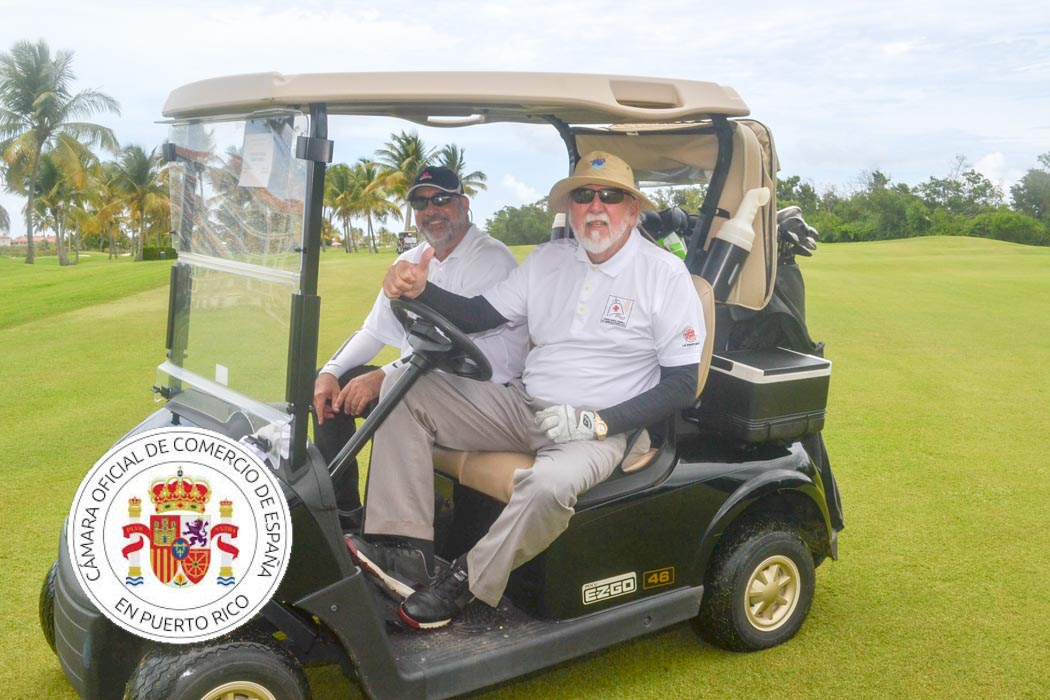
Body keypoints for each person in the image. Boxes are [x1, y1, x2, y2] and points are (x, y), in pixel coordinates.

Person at [348, 151, 706, 630]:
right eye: (583, 195)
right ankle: (405, 552)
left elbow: (683, 384)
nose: (596, 206)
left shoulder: (663, 273)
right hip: (524, 406)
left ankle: (465, 579)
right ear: (571, 207)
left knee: (550, 486)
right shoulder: (549, 260)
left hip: (599, 426)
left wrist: (601, 422)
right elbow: (480, 314)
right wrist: (420, 291)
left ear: (633, 209)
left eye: (610, 196)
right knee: (403, 388)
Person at [313, 167, 527, 528]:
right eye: (421, 203)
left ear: (463, 204)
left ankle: (392, 537)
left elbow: (454, 344)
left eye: (441, 199)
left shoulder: (490, 259)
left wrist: (383, 376)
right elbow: (373, 330)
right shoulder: (410, 260)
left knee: (395, 393)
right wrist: (331, 371)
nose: (432, 210)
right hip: (422, 382)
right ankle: (344, 517)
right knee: (331, 389)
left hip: (486, 392)